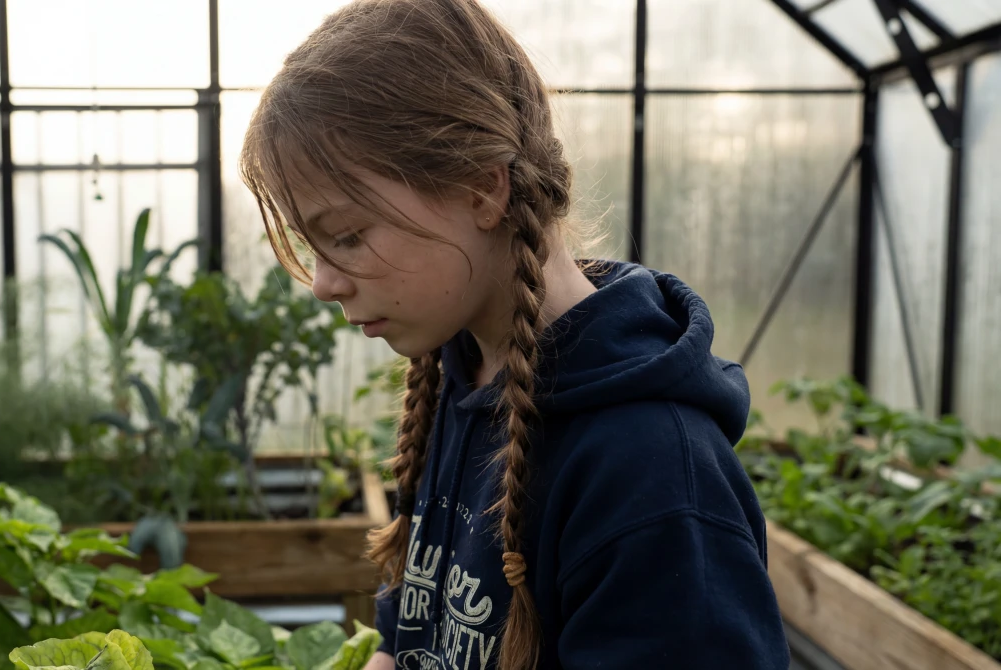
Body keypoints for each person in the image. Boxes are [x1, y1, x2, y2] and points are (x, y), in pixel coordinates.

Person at [239, 0, 791, 667]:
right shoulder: (463, 372)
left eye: (348, 236)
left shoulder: (653, 476)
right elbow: (406, 645)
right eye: (313, 246)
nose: (323, 283)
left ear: (481, 190)